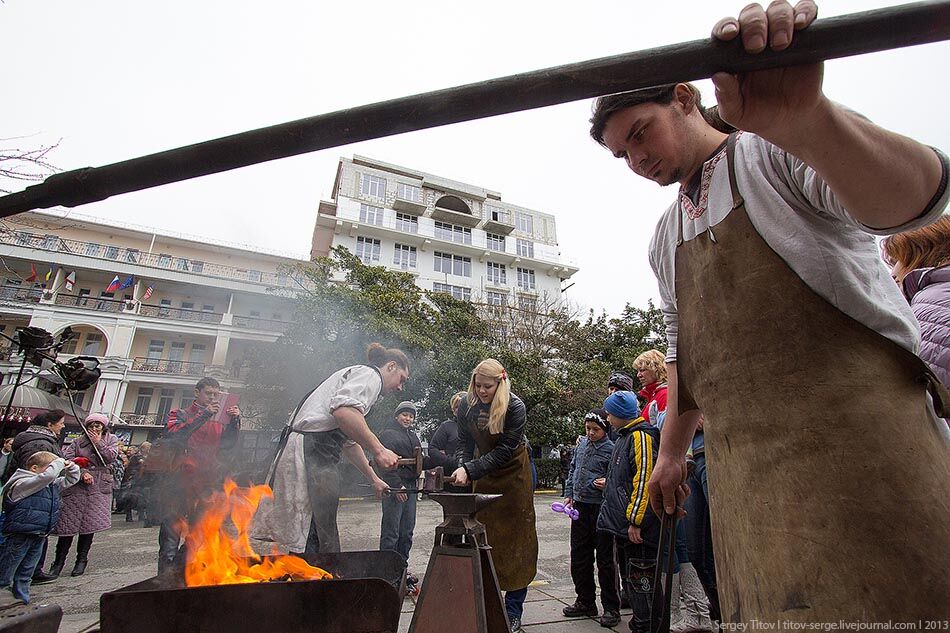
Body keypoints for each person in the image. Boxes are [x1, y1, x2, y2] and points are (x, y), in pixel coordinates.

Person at [590, 0, 950, 619]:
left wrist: (810, 121)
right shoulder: (666, 237)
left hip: (870, 456)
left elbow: (913, 201)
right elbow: (683, 353)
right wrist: (671, 454)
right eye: (622, 153)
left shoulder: (772, 154)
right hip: (750, 484)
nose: (636, 159)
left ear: (684, 98)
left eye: (640, 132)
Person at [252, 343, 406, 555]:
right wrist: (379, 450)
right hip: (310, 450)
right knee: (314, 528)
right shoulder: (370, 376)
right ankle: (316, 571)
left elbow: (349, 442)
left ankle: (317, 568)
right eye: (401, 379)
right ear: (391, 366)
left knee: (319, 526)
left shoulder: (358, 379)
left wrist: (374, 479)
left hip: (314, 450)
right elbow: (344, 412)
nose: (400, 388)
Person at [451, 359, 538, 633]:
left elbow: (504, 451)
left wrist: (470, 469)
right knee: (483, 541)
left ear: (500, 383)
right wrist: (462, 467)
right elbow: (464, 443)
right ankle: (485, 606)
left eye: (487, 386)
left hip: (514, 476)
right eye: (478, 385)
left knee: (518, 545)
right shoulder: (467, 405)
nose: (481, 391)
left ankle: (513, 612)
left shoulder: (515, 407)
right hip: (484, 475)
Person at [153, 377, 241, 574]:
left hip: (205, 482)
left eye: (216, 394)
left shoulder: (220, 420)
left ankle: (182, 571)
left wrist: (234, 421)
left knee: (198, 533)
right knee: (170, 534)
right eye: (208, 393)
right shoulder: (180, 413)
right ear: (197, 393)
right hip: (177, 481)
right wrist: (204, 415)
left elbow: (228, 446)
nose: (212, 397)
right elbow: (174, 436)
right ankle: (164, 578)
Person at [596, 391, 660, 633]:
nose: (608, 418)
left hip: (638, 527)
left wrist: (636, 520)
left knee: (642, 579)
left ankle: (646, 624)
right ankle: (640, 621)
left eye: (610, 414)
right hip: (624, 525)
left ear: (621, 414)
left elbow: (644, 480)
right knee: (633, 577)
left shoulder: (640, 437)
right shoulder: (624, 437)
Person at [377, 401, 454, 592]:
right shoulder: (387, 435)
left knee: (407, 532)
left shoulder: (413, 436)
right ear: (397, 416)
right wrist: (397, 486)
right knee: (391, 532)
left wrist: (443, 459)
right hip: (396, 488)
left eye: (411, 416)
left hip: (411, 487)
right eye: (404, 415)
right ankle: (386, 572)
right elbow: (384, 463)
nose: (408, 419)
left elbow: (420, 462)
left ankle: (402, 569)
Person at [561, 408, 620, 628]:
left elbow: (618, 477)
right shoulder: (582, 445)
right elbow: (573, 470)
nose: (591, 433)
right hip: (580, 508)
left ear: (605, 429)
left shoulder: (612, 449)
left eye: (596, 429)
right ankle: (585, 600)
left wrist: (607, 483)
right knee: (579, 556)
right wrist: (569, 494)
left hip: (601, 509)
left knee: (605, 560)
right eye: (588, 429)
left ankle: (611, 606)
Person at [0, 452, 79, 605]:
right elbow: (47, 477)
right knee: (7, 571)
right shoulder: (22, 483)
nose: (55, 471)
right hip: (20, 534)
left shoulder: (50, 484)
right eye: (50, 467)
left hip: (39, 534)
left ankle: (22, 602)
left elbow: (71, 479)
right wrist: (59, 462)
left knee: (26, 572)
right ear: (34, 468)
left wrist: (71, 467)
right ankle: (3, 601)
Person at [882, 215, 950, 393]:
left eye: (897, 260)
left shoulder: (932, 298)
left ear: (925, 252)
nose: (893, 272)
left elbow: (916, 384)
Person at [49, 413, 119, 577]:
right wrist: (81, 472)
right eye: (91, 426)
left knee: (89, 526)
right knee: (68, 525)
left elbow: (111, 458)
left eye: (98, 426)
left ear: (103, 427)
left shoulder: (111, 439)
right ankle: (58, 562)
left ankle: (81, 561)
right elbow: (67, 460)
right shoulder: (77, 442)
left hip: (99, 486)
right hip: (77, 486)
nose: (94, 429)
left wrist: (98, 443)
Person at [2, 409, 66, 584]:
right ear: (49, 425)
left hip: (37, 501)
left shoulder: (41, 440)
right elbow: (41, 473)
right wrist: (61, 464)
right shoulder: (39, 444)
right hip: (32, 501)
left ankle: (27, 578)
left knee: (34, 540)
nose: (63, 426)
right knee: (20, 547)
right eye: (61, 423)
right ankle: (10, 582)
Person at [428, 391, 468, 492]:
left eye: (463, 406)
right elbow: (432, 449)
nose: (460, 409)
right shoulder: (446, 426)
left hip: (473, 475)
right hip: (451, 476)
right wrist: (450, 461)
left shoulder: (477, 426)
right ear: (453, 410)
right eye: (457, 407)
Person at [633, 350, 667, 426]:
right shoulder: (653, 395)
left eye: (642, 370)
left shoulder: (664, 395)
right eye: (638, 371)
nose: (638, 375)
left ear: (656, 369)